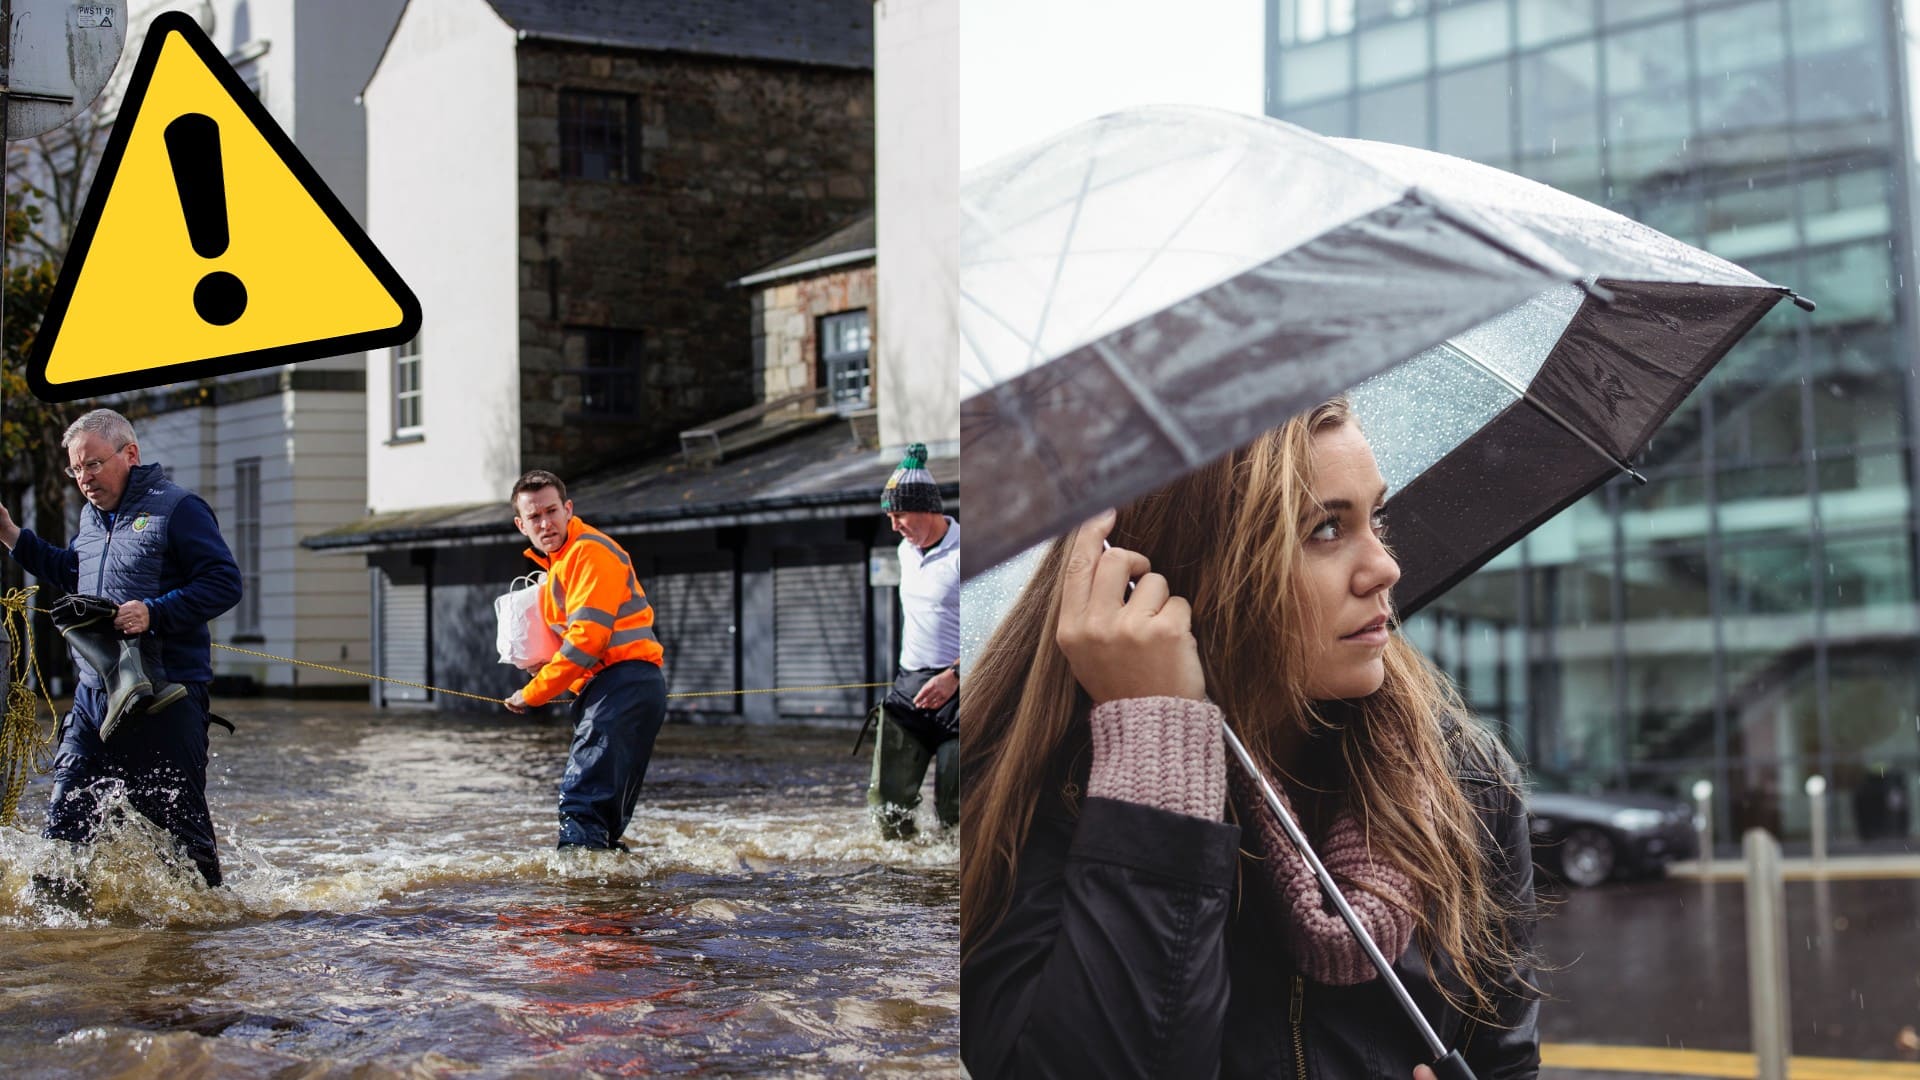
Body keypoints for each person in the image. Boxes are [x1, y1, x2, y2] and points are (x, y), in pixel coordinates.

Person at [960, 399, 1540, 1078]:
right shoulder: (1025, 802)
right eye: (1326, 528)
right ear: (1180, 575)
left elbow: (1505, 1063)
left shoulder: (1466, 783)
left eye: (1374, 517)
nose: (1384, 567)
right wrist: (1155, 750)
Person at [0, 408, 242, 888]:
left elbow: (224, 583)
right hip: (94, 700)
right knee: (63, 833)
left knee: (184, 850)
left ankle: (209, 931)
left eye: (93, 464)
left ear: (129, 454)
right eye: (75, 469)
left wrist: (155, 611)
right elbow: (73, 570)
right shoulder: (91, 519)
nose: (84, 479)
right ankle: (63, 938)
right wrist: (9, 534)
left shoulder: (178, 508)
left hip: (164, 699)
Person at [503, 469, 668, 850]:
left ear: (568, 509)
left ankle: (580, 901)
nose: (545, 523)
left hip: (624, 687)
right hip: (616, 690)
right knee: (602, 818)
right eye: (535, 517)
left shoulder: (588, 552)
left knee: (581, 806)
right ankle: (610, 898)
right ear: (521, 524)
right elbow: (581, 647)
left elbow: (586, 642)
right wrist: (544, 669)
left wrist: (533, 692)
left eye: (552, 511)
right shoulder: (560, 564)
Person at [869, 443, 959, 839]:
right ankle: (901, 881)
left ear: (929, 509)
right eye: (890, 516)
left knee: (957, 812)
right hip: (910, 687)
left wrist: (954, 676)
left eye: (900, 514)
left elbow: (999, 629)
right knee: (887, 804)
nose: (894, 526)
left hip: (963, 691)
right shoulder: (906, 551)